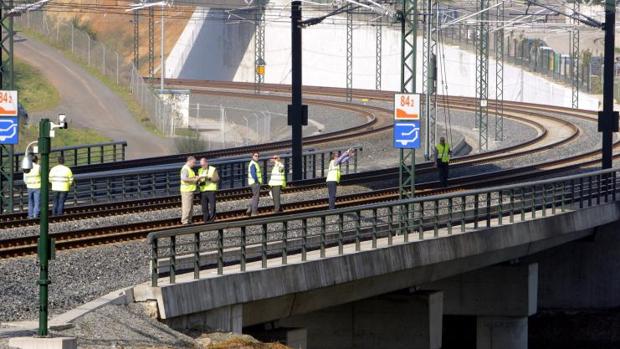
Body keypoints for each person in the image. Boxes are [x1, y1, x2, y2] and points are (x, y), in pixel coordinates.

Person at [180, 156, 200, 225]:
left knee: (190, 207)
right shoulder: (185, 169)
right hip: (186, 190)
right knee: (187, 206)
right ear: (189, 161)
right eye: (193, 162)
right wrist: (194, 179)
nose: (194, 164)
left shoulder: (189, 169)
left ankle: (189, 220)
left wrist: (195, 177)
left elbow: (188, 178)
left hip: (190, 190)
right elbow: (184, 178)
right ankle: (185, 221)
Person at [198, 157, 219, 223]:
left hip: (211, 190)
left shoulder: (213, 169)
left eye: (203, 165)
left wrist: (208, 178)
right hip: (203, 191)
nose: (202, 166)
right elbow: (201, 182)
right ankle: (206, 220)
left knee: (212, 206)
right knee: (204, 207)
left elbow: (216, 179)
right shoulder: (200, 170)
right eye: (201, 165)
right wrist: (198, 182)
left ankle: (212, 219)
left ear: (206, 163)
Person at [24, 155, 41, 219]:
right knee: (37, 202)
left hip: (29, 186)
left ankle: (30, 215)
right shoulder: (38, 167)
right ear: (36, 160)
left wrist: (27, 183)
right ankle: (35, 215)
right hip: (37, 186)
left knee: (30, 201)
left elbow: (24, 178)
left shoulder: (26, 167)